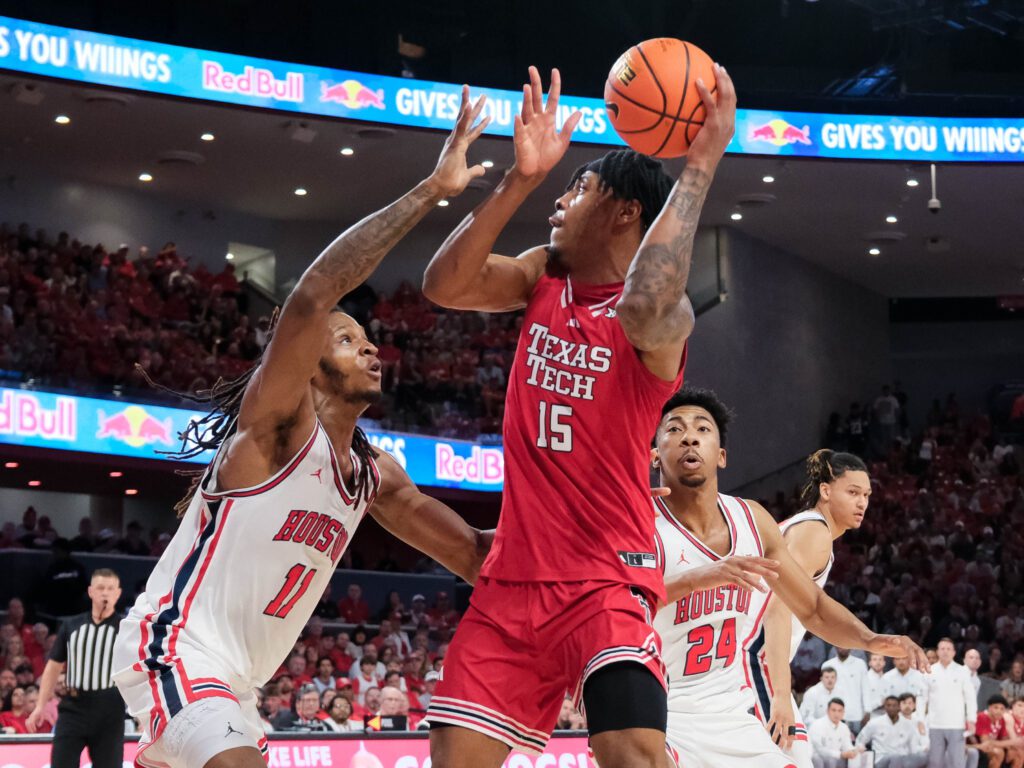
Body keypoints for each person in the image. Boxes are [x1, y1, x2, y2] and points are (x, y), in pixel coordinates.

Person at [109, 94, 497, 768]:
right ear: (310, 364)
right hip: (175, 648)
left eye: (371, 341)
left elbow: (473, 556)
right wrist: (434, 190)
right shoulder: (276, 433)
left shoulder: (373, 476)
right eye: (349, 341)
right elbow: (315, 294)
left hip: (236, 683)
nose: (372, 349)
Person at [422, 61, 737, 767]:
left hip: (606, 579)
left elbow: (645, 302)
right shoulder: (543, 275)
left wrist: (701, 162)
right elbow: (444, 286)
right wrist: (521, 178)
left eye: (578, 189)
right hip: (510, 584)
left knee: (633, 754)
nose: (559, 203)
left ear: (624, 211)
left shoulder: (659, 321)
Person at [648, 388, 925, 768]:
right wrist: (698, 579)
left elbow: (811, 608)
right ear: (654, 454)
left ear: (722, 455)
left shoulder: (752, 520)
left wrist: (871, 639)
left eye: (702, 428)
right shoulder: (638, 523)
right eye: (675, 429)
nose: (690, 436)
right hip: (659, 705)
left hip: (729, 704)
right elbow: (610, 607)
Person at [745, 448, 874, 768]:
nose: (862, 503)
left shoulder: (805, 527)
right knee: (793, 759)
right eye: (853, 492)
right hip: (755, 660)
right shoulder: (815, 532)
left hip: (751, 658)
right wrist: (780, 693)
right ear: (826, 491)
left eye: (867, 495)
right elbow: (777, 608)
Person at [26, 569, 124, 768]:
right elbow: (53, 667)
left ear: (118, 593)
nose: (105, 593)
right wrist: (39, 705)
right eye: (100, 588)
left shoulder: (126, 627)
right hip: (74, 706)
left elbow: (140, 670)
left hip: (110, 708)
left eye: (110, 588)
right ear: (90, 591)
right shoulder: (71, 625)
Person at [924, 637, 978, 768]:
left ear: (954, 652)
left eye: (948, 649)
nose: (945, 652)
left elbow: (970, 697)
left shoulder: (962, 671)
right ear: (937, 651)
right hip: (935, 723)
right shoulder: (929, 671)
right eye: (942, 649)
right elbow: (922, 698)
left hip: (956, 723)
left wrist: (971, 719)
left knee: (957, 761)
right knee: (935, 762)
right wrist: (921, 719)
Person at [855, 696, 921, 767]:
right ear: (884, 707)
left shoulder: (908, 724)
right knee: (895, 757)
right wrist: (861, 748)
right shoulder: (874, 723)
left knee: (921, 756)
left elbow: (913, 747)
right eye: (888, 705)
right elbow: (860, 741)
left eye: (894, 706)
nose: (891, 708)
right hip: (880, 760)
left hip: (901, 759)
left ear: (899, 707)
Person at [823, 648, 869, 735]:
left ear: (850, 647)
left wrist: (867, 710)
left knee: (856, 745)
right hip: (835, 714)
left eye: (845, 645)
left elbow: (865, 688)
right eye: (840, 646)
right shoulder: (827, 665)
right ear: (835, 647)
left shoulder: (860, 664)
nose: (843, 648)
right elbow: (825, 691)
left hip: (857, 714)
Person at [970, 694, 1022, 768]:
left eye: (1002, 709)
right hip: (975, 746)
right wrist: (1012, 742)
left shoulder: (1001, 720)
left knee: (1018, 753)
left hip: (991, 746)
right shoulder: (982, 717)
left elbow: (1004, 739)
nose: (999, 711)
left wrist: (1012, 747)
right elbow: (986, 742)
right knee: (998, 752)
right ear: (989, 707)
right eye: (996, 707)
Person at [808, 698, 862, 768]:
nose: (837, 714)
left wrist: (854, 750)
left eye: (840, 711)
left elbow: (847, 746)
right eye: (833, 710)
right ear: (827, 711)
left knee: (853, 757)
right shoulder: (817, 725)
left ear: (843, 713)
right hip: (818, 761)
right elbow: (820, 750)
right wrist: (841, 754)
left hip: (835, 760)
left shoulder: (844, 727)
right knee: (817, 757)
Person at [900, 693, 931, 768]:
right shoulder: (900, 719)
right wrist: (924, 748)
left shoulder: (924, 718)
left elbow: (925, 739)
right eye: (904, 703)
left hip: (924, 752)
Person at [864, 653, 889, 719]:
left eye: (880, 659)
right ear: (870, 663)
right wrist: (880, 702)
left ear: (884, 663)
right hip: (871, 717)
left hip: (887, 716)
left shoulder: (888, 679)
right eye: (875, 659)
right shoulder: (865, 679)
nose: (878, 662)